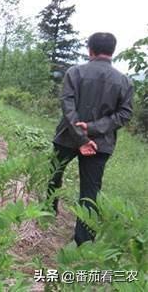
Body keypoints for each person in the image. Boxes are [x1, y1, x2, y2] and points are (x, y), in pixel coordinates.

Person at [47, 32, 134, 246]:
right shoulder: (125, 81)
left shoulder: (74, 73)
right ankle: (83, 242)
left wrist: (81, 137)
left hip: (67, 137)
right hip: (100, 144)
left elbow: (68, 108)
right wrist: (93, 131)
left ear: (90, 50)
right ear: (112, 52)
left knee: (54, 174)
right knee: (90, 191)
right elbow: (124, 114)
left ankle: (47, 212)